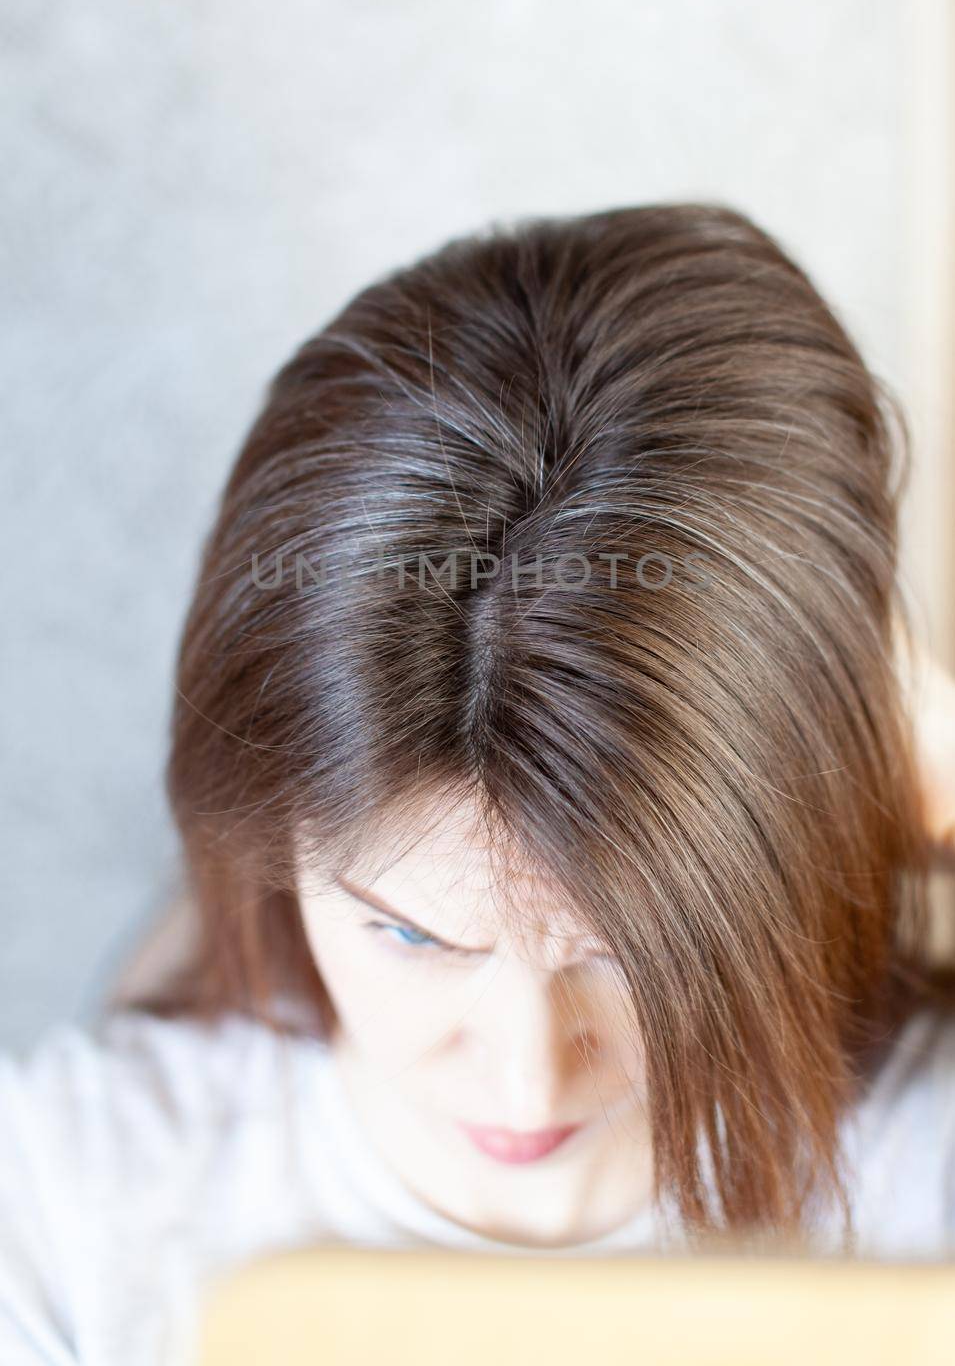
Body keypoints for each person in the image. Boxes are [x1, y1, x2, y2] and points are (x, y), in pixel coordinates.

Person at [2, 202, 955, 1366]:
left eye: (627, 950)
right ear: (275, 839)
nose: (525, 1075)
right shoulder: (67, 1212)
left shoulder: (925, 1177)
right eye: (410, 935)